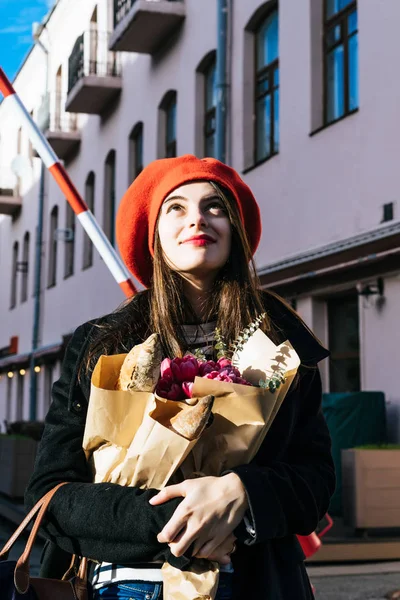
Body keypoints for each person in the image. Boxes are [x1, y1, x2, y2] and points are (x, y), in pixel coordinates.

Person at [25, 155, 336, 600]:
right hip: (116, 586)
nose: (197, 219)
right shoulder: (100, 345)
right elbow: (49, 494)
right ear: (154, 235)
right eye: (176, 207)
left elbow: (316, 482)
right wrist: (182, 519)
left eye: (215, 207)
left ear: (235, 230)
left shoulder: (281, 347)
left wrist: (241, 494)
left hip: (251, 584)